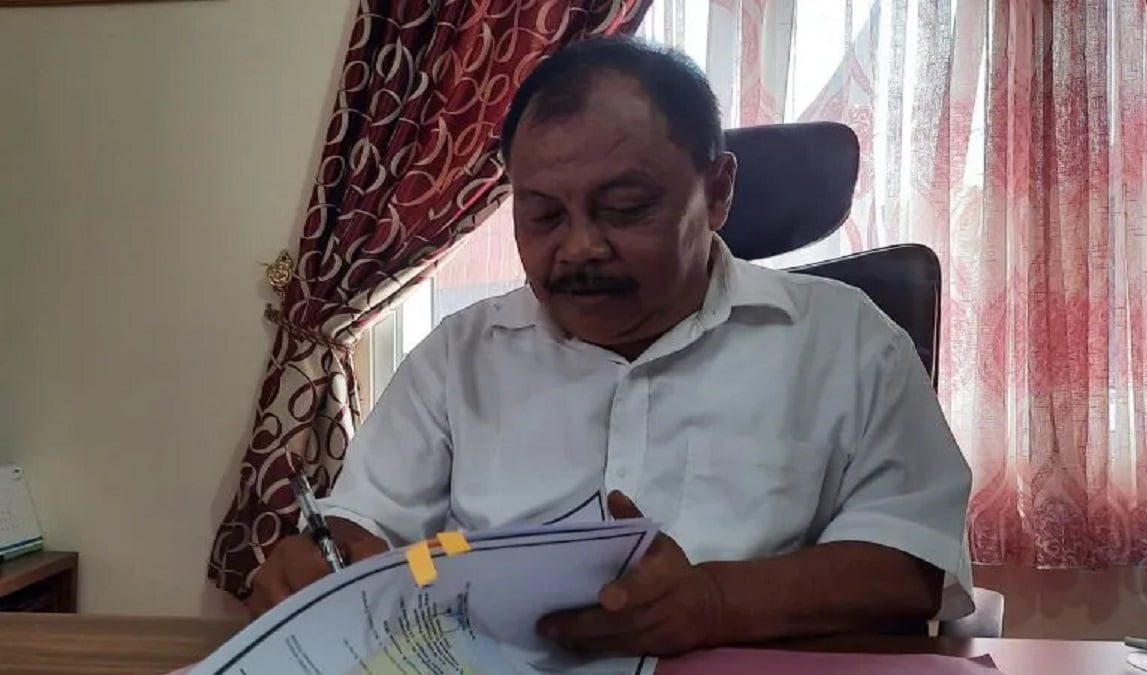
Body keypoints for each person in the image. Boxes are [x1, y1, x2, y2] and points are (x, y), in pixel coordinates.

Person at [248, 37, 975, 656]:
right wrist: (323, 559)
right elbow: (367, 526)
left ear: (718, 191)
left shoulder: (848, 341)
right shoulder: (458, 356)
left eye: (625, 209)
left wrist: (714, 602)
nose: (579, 248)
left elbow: (911, 563)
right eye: (542, 215)